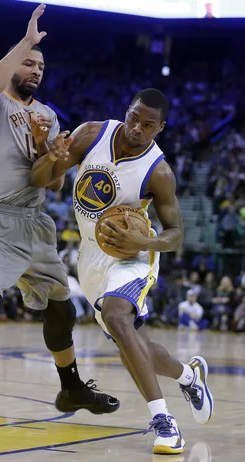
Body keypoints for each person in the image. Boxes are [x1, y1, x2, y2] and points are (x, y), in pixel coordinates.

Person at [0, 4, 119, 416]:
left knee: (62, 311)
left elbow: (48, 182)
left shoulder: (47, 115)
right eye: (28, 63)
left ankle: (71, 390)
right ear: (12, 63)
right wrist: (26, 42)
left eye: (40, 66)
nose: (35, 69)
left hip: (36, 224)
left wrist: (53, 157)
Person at [30, 88, 214, 454]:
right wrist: (47, 156)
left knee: (117, 316)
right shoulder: (90, 134)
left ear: (159, 128)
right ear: (127, 110)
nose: (137, 127)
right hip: (90, 258)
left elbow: (176, 235)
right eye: (134, 117)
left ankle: (164, 422)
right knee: (133, 344)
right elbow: (42, 180)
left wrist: (143, 244)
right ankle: (189, 375)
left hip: (133, 256)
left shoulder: (159, 171)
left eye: (148, 124)